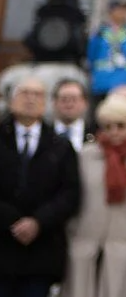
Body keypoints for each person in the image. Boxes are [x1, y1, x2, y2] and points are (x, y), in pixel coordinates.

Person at [63, 94, 126, 297]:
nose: (114, 132)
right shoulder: (87, 155)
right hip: (86, 241)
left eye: (120, 125)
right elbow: (74, 194)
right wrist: (74, 229)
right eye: (107, 126)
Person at [0, 75, 81, 297]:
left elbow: (70, 192)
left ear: (46, 103)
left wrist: (38, 221)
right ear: (11, 100)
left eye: (37, 95)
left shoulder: (61, 146)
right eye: (25, 93)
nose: (30, 99)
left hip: (42, 247)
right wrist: (12, 220)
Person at [88, 0, 126, 100]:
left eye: (125, 10)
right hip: (102, 83)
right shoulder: (100, 32)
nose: (123, 13)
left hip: (124, 83)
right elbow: (91, 55)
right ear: (111, 11)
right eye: (120, 9)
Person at [52, 79, 94, 153]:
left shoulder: (95, 134)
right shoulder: (44, 135)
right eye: (64, 99)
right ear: (54, 103)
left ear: (85, 103)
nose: (69, 105)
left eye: (74, 99)